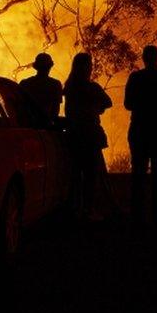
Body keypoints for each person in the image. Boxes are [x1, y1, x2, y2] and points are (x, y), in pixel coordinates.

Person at [124, 45, 157, 226]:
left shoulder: (136, 78)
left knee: (138, 173)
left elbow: (128, 104)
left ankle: (138, 215)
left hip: (140, 130)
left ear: (144, 58)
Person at [63, 52, 113, 220]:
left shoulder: (69, 87)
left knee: (75, 174)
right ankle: (89, 209)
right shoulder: (92, 88)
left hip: (74, 135)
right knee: (92, 175)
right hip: (90, 136)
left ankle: (75, 209)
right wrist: (96, 108)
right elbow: (108, 102)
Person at [19, 52, 63, 120]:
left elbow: (19, 106)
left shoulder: (25, 83)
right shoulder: (55, 85)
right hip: (46, 124)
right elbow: (55, 110)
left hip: (28, 123)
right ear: (50, 66)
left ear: (36, 67)